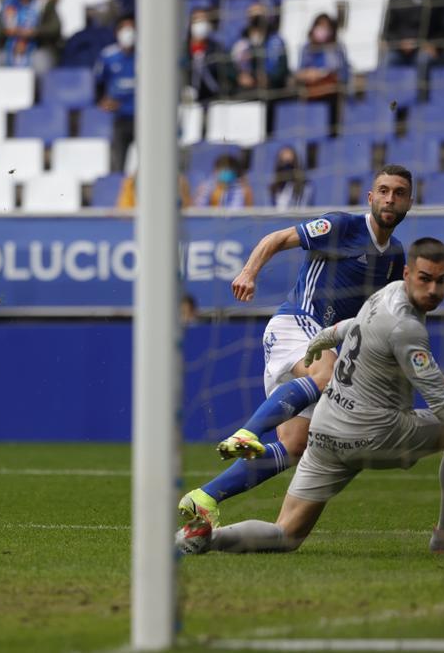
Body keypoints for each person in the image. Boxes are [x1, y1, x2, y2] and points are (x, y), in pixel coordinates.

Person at [178, 237, 444, 556]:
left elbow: (353, 326)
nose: (433, 289)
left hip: (325, 430)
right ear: (407, 274)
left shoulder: (383, 296)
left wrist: (323, 339)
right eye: (425, 279)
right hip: (375, 433)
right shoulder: (407, 327)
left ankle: (204, 538)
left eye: (441, 281)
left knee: (286, 535)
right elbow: (443, 405)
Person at [179, 165, 422, 526]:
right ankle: (247, 433)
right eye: (383, 191)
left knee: (295, 446)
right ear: (370, 197)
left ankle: (204, 498)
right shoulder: (341, 226)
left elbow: (385, 318)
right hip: (297, 322)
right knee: (328, 374)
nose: (390, 198)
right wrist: (248, 272)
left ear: (409, 202)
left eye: (398, 192)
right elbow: (276, 239)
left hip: (328, 338)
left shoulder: (394, 257)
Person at [0, 0, 61, 74]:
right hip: (8, 49)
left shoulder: (44, 3)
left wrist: (34, 32)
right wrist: (7, 31)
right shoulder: (5, 3)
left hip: (36, 49)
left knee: (42, 65)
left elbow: (55, 29)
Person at [95, 15, 136, 174]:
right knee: (118, 163)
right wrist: (102, 100)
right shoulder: (108, 56)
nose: (128, 32)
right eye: (124, 28)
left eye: (131, 28)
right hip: (119, 116)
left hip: (144, 117)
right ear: (117, 32)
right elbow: (98, 82)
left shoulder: (147, 55)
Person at [231, 3, 288, 100]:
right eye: (253, 15)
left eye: (259, 14)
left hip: (271, 90)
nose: (256, 18)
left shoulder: (276, 41)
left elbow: (282, 67)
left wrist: (269, 79)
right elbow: (229, 65)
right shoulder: (239, 42)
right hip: (245, 90)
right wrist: (239, 76)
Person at [382, 0, 441, 69]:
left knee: (425, 60)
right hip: (398, 50)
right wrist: (401, 43)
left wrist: (432, 45)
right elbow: (388, 32)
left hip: (421, 49)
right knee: (389, 61)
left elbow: (439, 29)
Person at [296, 13, 348, 106]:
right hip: (312, 93)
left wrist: (322, 75)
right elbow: (300, 72)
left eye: (326, 27)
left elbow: (341, 73)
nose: (322, 30)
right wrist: (309, 74)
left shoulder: (336, 48)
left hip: (331, 93)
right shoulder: (307, 48)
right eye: (320, 26)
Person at [183, 8, 232, 105]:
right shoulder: (182, 50)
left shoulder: (218, 49)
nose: (200, 24)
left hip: (213, 101)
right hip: (186, 103)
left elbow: (228, 75)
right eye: (196, 20)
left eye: (204, 20)